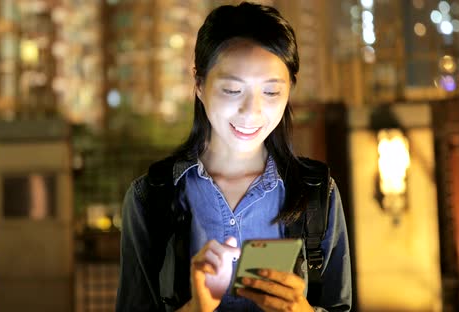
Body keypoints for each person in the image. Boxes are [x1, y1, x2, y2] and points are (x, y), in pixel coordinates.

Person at [116, 2, 352, 311]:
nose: (251, 111)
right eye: (232, 90)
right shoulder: (150, 197)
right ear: (199, 83)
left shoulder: (317, 194)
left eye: (271, 92)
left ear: (290, 89)